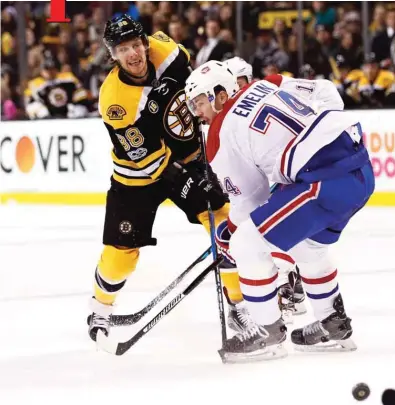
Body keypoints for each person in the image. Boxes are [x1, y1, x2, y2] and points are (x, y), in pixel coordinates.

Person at [184, 60, 374, 362]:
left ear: (220, 95)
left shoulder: (220, 134)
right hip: (359, 167)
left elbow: (251, 202)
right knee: (307, 246)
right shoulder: (267, 84)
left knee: (246, 243)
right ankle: (333, 324)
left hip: (322, 180)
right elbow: (326, 91)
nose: (198, 115)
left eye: (198, 103)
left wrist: (227, 233)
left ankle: (266, 332)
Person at [87, 15, 240, 343]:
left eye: (135, 45)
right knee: (120, 257)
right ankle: (100, 307)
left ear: (145, 43)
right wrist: (187, 177)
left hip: (186, 156)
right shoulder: (114, 99)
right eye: (122, 49)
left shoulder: (169, 53)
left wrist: (198, 165)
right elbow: (142, 155)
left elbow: (196, 85)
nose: (133, 53)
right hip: (136, 177)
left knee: (225, 225)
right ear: (113, 56)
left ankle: (240, 306)